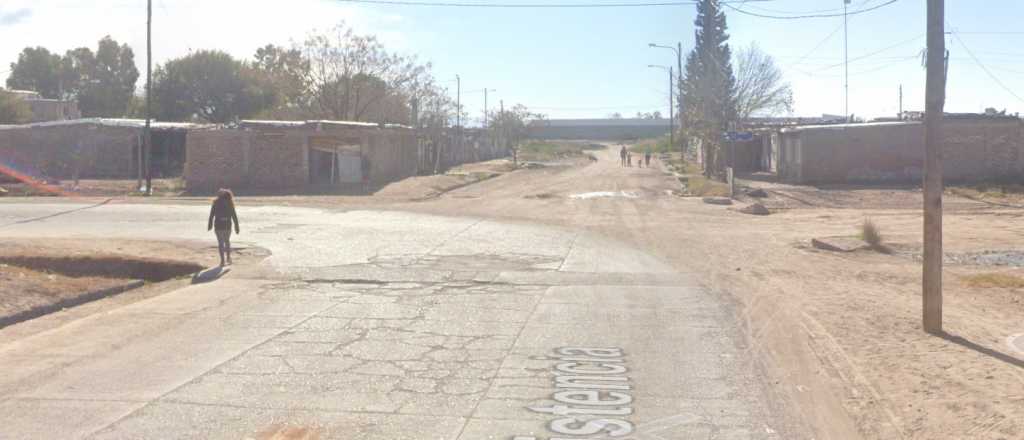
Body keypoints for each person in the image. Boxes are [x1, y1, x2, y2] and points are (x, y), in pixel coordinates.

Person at [208, 189, 240, 266]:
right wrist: (236, 226)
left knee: (220, 243)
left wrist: (210, 225)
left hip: (218, 225)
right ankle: (228, 258)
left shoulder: (215, 203)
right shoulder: (230, 203)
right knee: (227, 241)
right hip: (227, 225)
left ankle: (222, 261)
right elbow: (234, 215)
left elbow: (211, 215)